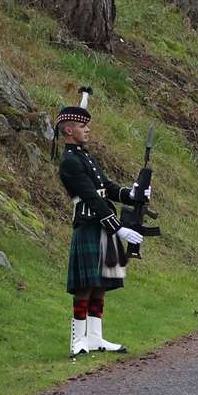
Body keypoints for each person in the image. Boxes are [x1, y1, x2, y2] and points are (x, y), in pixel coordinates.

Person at [56, 90, 147, 356]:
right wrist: (118, 227)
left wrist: (131, 194)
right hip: (88, 223)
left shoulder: (86, 157)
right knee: (84, 287)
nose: (88, 131)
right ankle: (78, 341)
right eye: (83, 127)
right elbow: (91, 198)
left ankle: (96, 338)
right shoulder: (70, 162)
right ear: (69, 130)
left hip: (101, 225)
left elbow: (105, 187)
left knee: (100, 284)